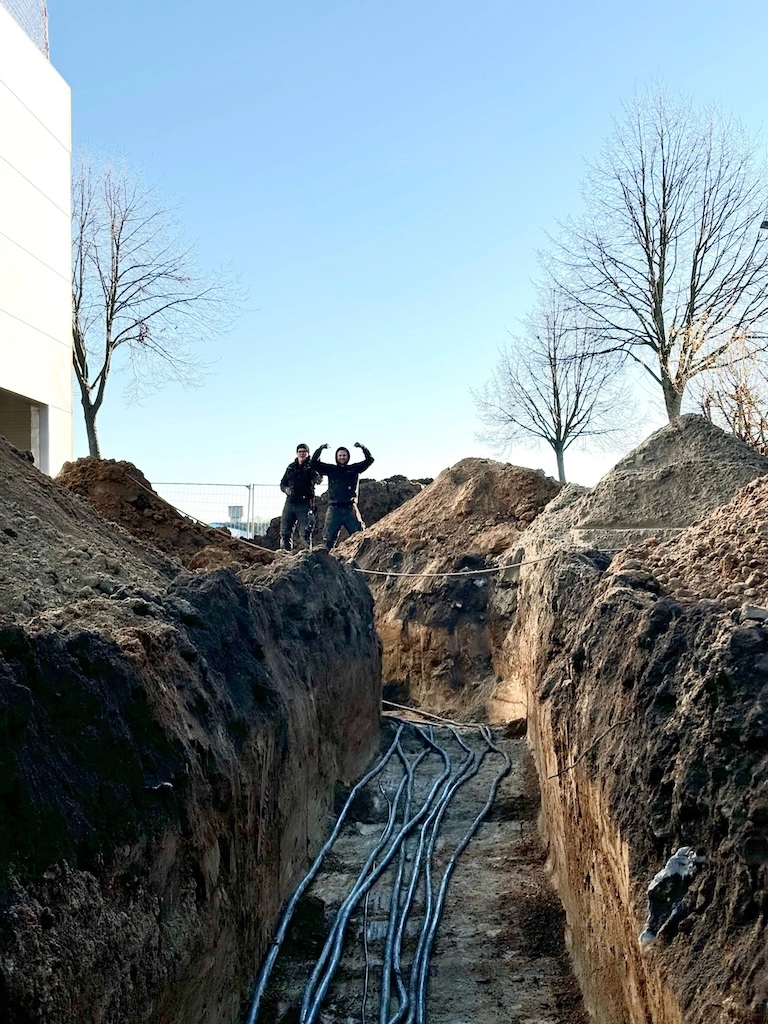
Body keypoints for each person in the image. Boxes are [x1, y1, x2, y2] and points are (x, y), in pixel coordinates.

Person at [310, 442, 374, 549]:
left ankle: (360, 561)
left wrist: (363, 448)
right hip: (334, 509)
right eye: (340, 455)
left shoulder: (354, 469)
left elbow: (370, 460)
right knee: (328, 539)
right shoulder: (331, 469)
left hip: (350, 508)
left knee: (360, 537)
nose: (342, 457)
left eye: (344, 455)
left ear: (348, 457)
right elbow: (313, 463)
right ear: (336, 457)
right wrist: (320, 449)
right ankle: (327, 562)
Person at [279, 443, 322, 551]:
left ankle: (307, 557)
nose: (302, 454)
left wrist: (317, 471)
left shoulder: (311, 467)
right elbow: (282, 483)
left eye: (304, 452)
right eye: (300, 452)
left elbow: (318, 480)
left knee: (305, 533)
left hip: (305, 503)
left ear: (308, 453)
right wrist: (286, 489)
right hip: (290, 502)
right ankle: (285, 555)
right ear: (297, 453)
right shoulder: (291, 467)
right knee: (285, 532)